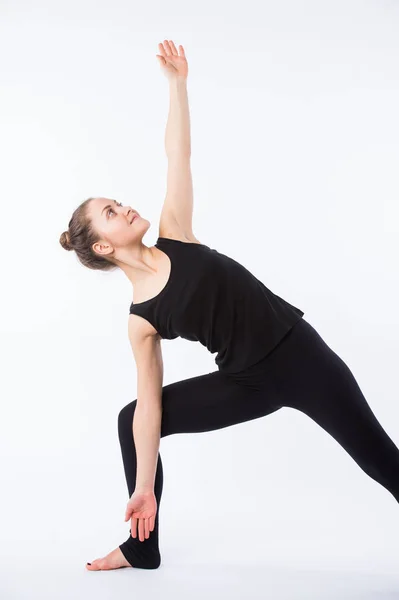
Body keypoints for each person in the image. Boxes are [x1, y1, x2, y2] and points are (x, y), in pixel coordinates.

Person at [59, 40, 399, 571]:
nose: (124, 207)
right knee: (131, 417)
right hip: (246, 382)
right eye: (110, 211)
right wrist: (144, 485)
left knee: (383, 461)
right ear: (102, 246)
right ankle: (141, 545)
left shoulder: (176, 234)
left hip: (301, 357)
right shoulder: (140, 320)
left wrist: (177, 85)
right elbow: (150, 409)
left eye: (118, 201)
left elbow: (178, 155)